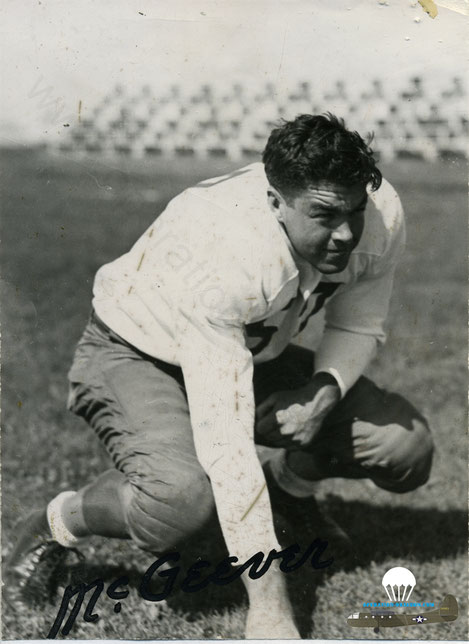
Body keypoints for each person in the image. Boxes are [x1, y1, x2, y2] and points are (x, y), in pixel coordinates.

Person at [5, 114, 434, 638]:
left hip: (253, 351)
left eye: (354, 212)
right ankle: (60, 519)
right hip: (137, 351)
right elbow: (227, 447)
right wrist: (271, 608)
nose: (344, 232)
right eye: (324, 215)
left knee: (401, 444)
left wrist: (320, 396)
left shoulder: (379, 208)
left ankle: (290, 493)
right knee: (181, 504)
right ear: (274, 202)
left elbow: (360, 323)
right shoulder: (225, 247)